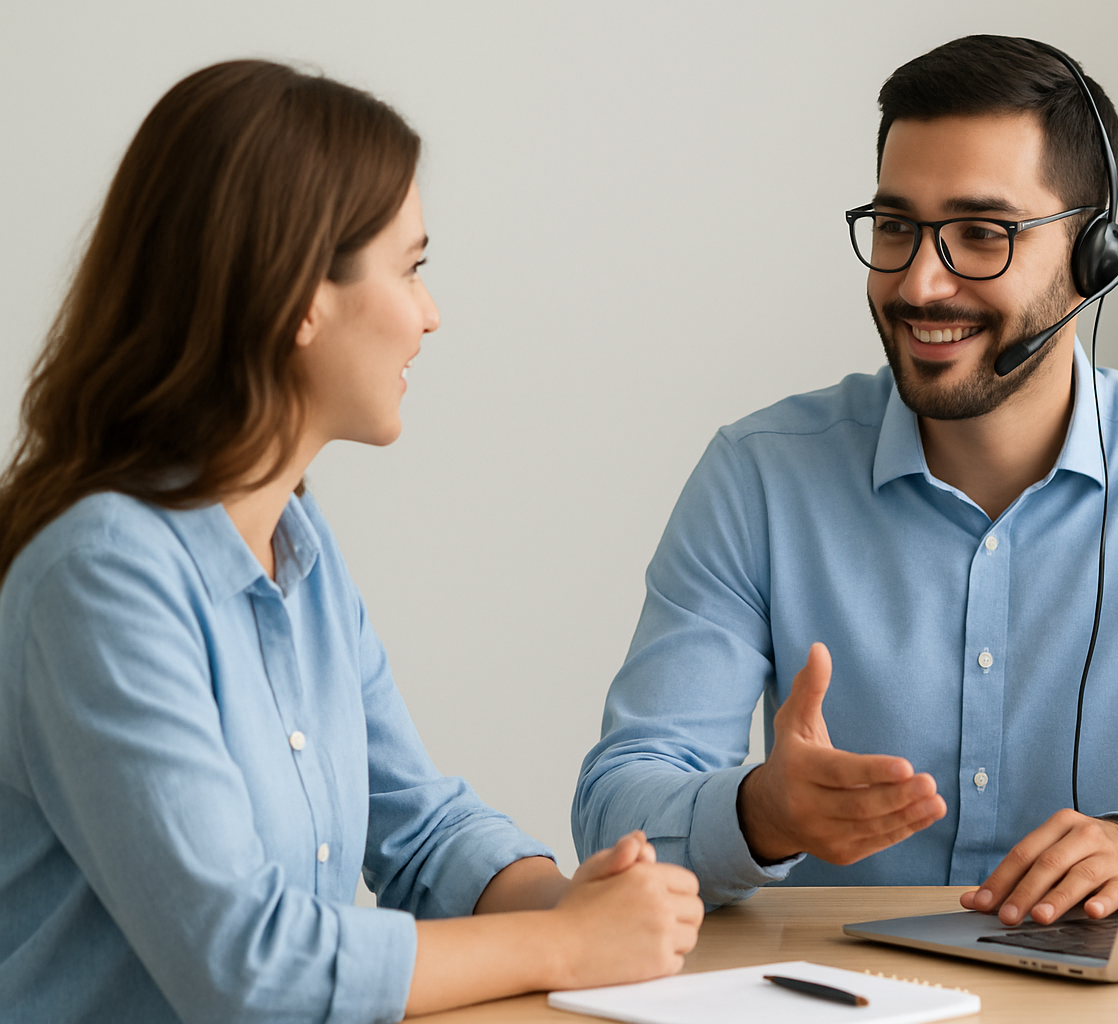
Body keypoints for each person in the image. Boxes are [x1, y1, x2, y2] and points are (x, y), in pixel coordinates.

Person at [573, 35, 1118, 926]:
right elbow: (614, 816)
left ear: (1092, 257)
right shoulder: (759, 479)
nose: (921, 283)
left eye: (982, 234)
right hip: (844, 987)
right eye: (896, 227)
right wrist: (762, 813)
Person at [0, 60, 701, 1024]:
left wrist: (576, 902)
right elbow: (249, 970)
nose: (430, 313)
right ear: (299, 296)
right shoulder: (101, 579)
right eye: (411, 269)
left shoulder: (298, 545)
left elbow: (423, 827)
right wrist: (567, 944)